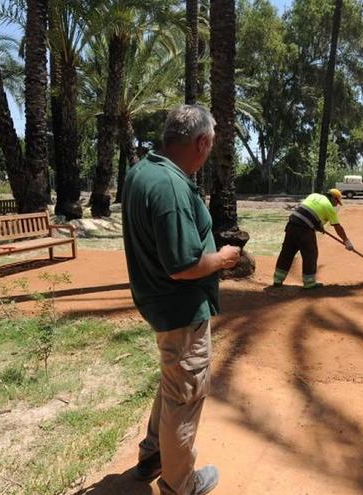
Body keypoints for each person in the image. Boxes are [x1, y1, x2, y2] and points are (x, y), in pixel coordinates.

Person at [122, 105, 240, 495]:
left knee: (174, 382)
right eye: (212, 143)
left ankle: (153, 453)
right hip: (179, 307)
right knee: (185, 393)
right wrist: (222, 258)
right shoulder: (171, 186)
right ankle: (180, 482)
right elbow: (183, 265)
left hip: (159, 304)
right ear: (202, 142)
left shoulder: (143, 171)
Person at [272, 188, 354, 289]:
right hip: (305, 230)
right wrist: (346, 241)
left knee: (287, 253)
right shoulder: (329, 207)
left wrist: (318, 226)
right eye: (337, 201)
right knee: (310, 254)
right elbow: (337, 226)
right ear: (333, 198)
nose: (336, 205)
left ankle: (277, 279)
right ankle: (309, 282)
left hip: (292, 225)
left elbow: (308, 211)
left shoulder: (313, 196)